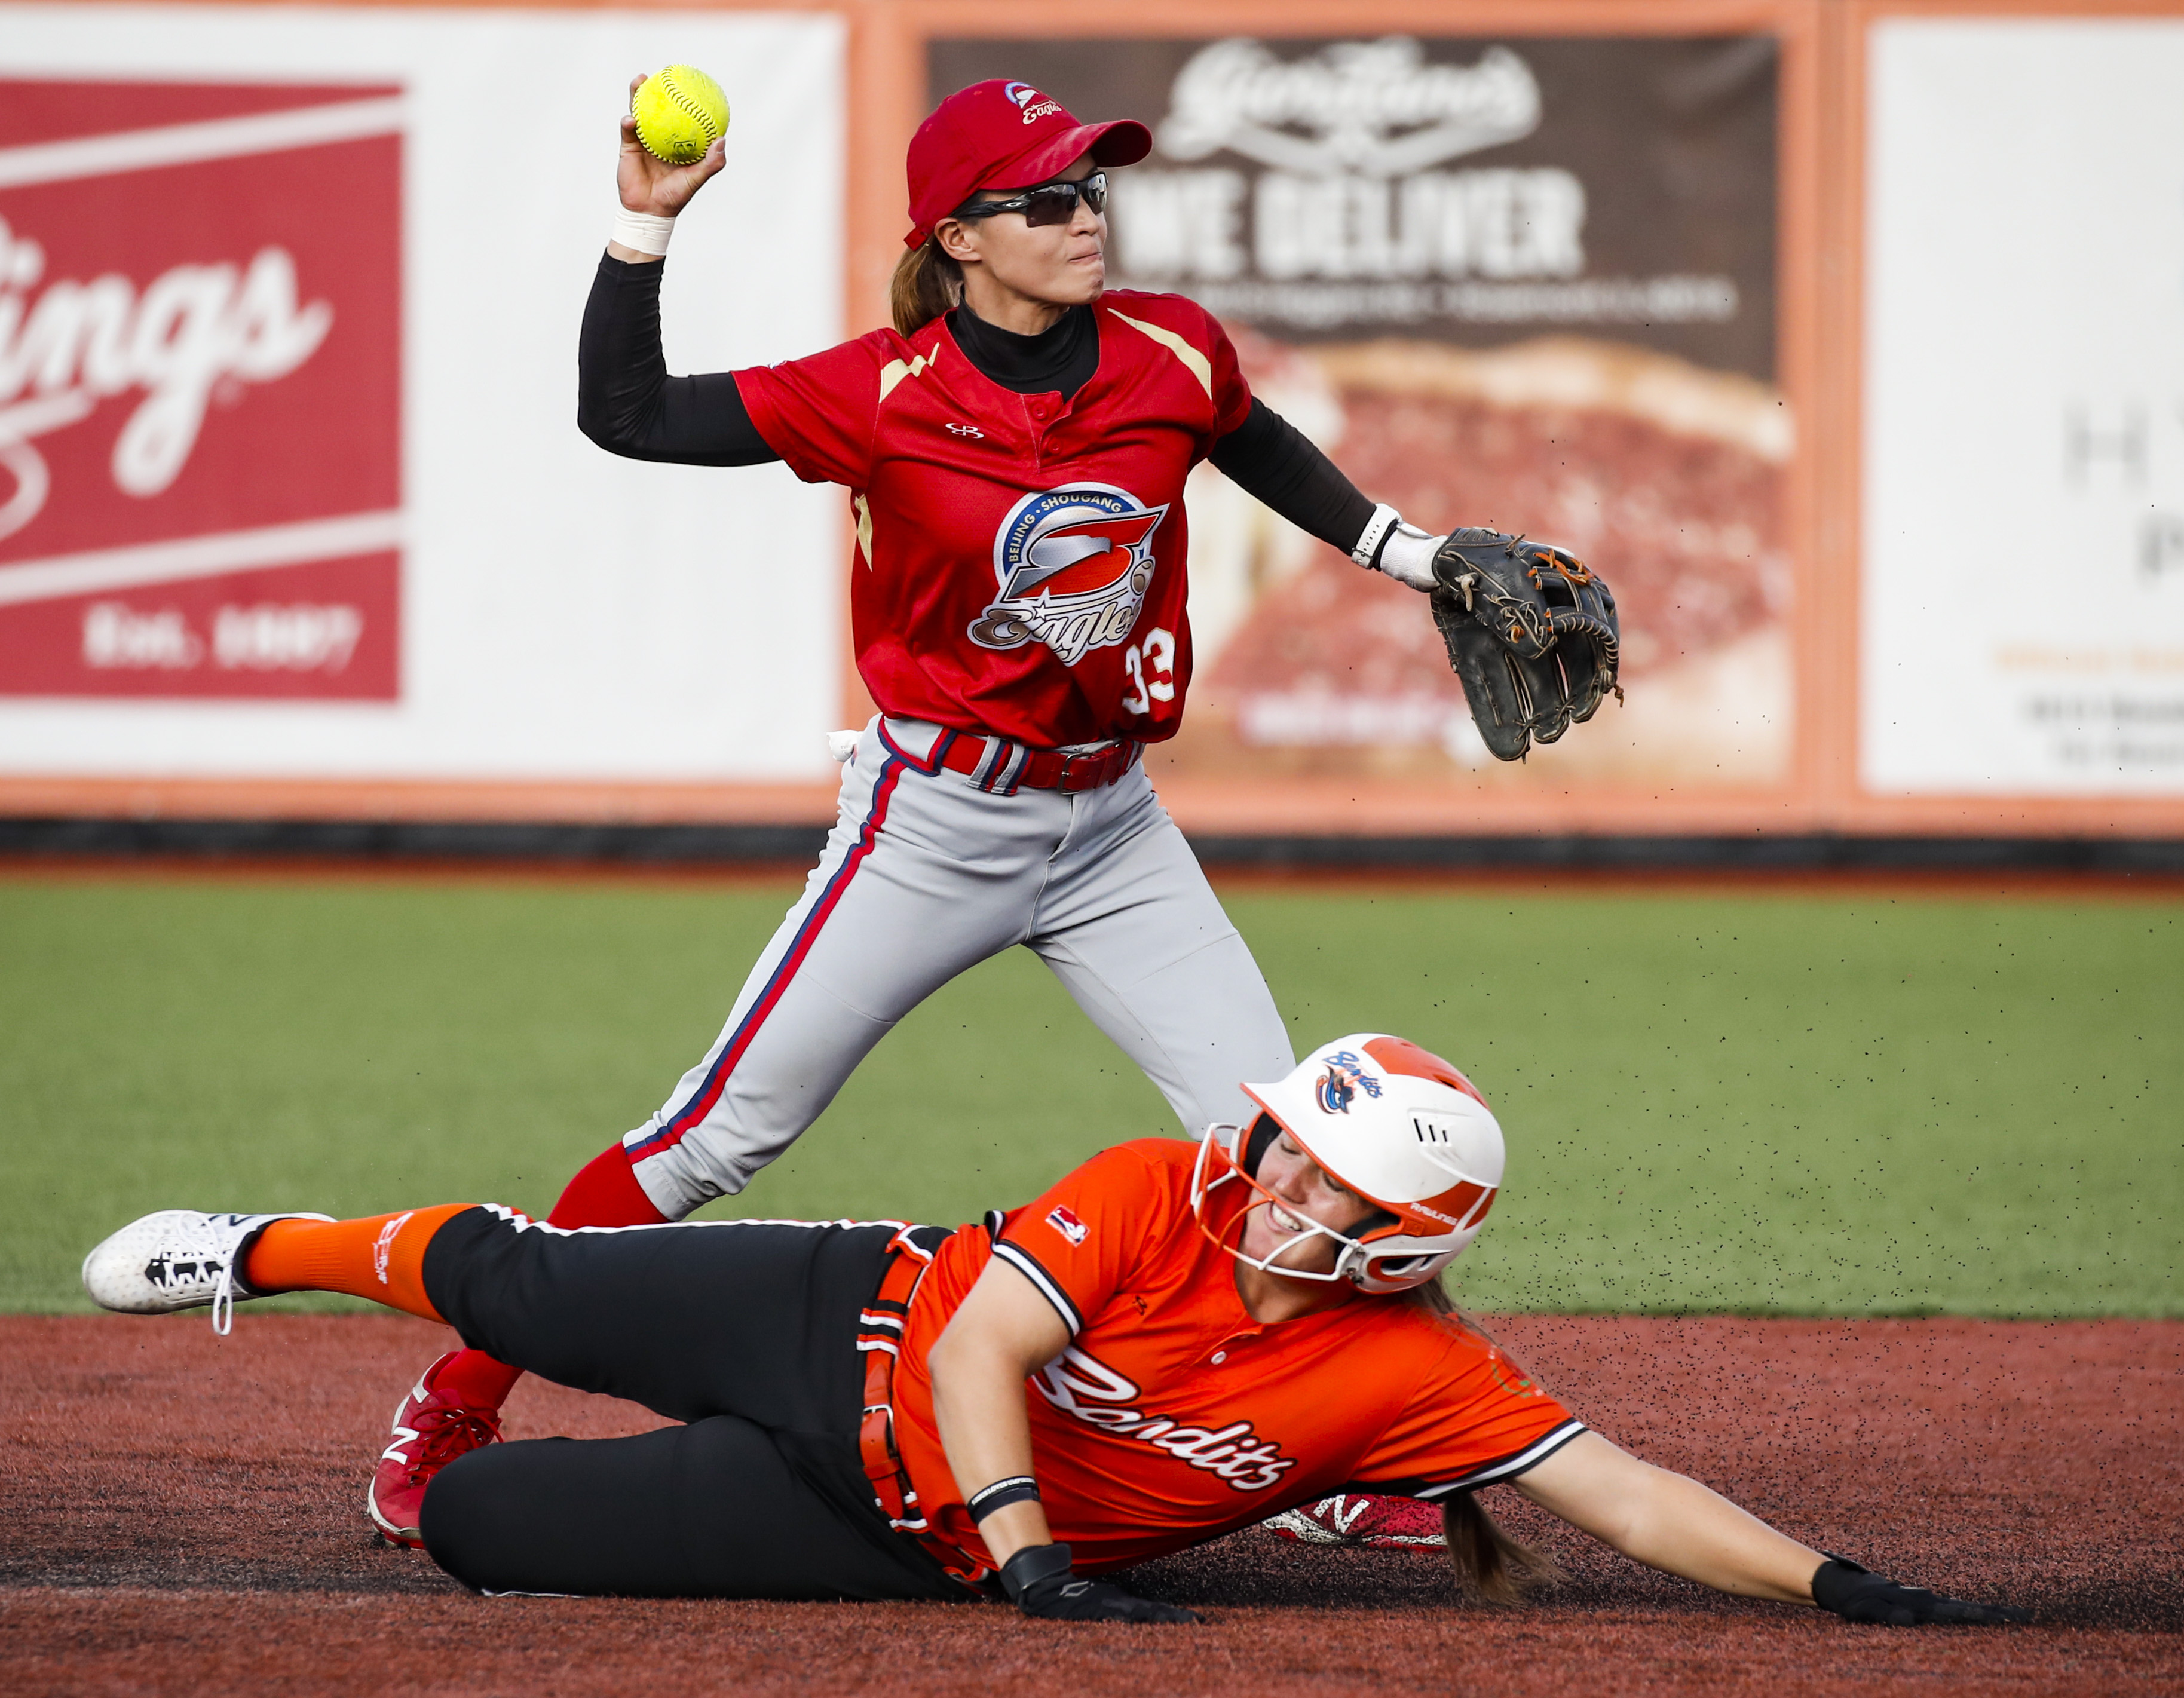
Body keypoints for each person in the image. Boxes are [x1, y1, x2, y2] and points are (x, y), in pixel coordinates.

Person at [361, 71, 1494, 1547]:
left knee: (1263, 1147)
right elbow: (626, 417)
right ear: (956, 238)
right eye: (1044, 199)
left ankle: (1298, 1458)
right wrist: (643, 230)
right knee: (709, 1137)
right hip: (933, 820)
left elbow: (1250, 439)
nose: (1084, 216)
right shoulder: (874, 394)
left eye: (1092, 189)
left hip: (1114, 829)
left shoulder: (1168, 348)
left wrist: (1411, 554)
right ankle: (459, 1389)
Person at [85, 1035, 2026, 1629]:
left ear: (1402, 1237)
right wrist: (1030, 1555)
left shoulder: (1415, 1370)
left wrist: (1831, 1581)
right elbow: (964, 1360)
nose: (1273, 1177)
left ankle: (473, 1482)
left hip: (869, 1535)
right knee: (516, 1279)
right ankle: (264, 1244)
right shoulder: (1144, 1184)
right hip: (830, 1314)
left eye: (1325, 1180)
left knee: (474, 1537)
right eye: (1283, 1138)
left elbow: (1620, 1493)